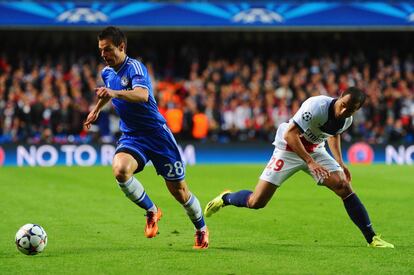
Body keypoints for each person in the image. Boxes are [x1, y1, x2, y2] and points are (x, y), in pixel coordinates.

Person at [204, 87, 394, 248]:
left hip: (316, 150)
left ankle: (372, 238)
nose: (344, 112)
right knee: (257, 202)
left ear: (357, 110)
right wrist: (310, 162)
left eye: (350, 110)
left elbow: (334, 134)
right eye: (343, 105)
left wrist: (340, 163)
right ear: (339, 96)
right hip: (288, 149)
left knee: (344, 186)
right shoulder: (317, 105)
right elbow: (290, 135)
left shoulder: (347, 119)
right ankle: (226, 198)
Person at [84, 26, 208, 249]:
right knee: (120, 170)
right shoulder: (107, 73)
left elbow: (142, 95)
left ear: (121, 47)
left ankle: (201, 228)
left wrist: (113, 93)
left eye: (108, 49)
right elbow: (108, 91)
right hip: (133, 136)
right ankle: (152, 211)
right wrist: (97, 109)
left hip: (158, 136)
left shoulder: (135, 67)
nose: (104, 54)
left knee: (180, 192)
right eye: (101, 50)